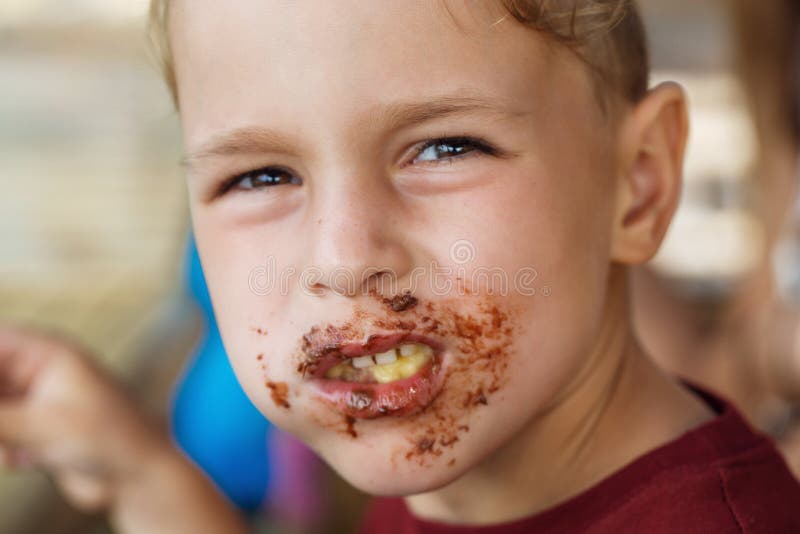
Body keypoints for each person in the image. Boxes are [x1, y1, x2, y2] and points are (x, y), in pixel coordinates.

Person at [1, 1, 799, 532]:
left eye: (446, 148)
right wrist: (139, 471)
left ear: (637, 183)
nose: (344, 259)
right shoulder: (451, 475)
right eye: (261, 175)